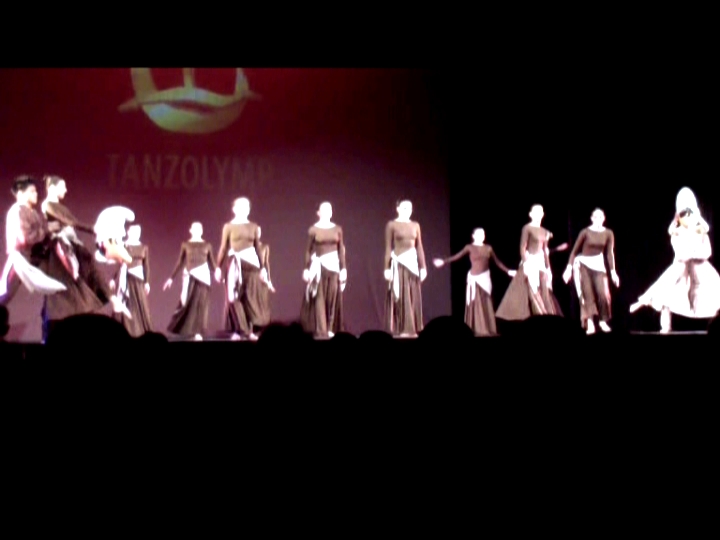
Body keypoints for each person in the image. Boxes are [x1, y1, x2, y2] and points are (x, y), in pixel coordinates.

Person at [629, 187, 720, 332]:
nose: (687, 219)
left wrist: (695, 254)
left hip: (700, 269)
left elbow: (707, 251)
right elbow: (680, 253)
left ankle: (717, 324)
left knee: (714, 291)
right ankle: (660, 321)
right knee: (667, 290)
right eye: (684, 216)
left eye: (690, 215)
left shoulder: (701, 232)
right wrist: (688, 254)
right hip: (681, 268)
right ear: (679, 218)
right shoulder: (677, 234)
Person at [41, 175, 128, 318]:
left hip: (72, 242)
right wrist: (91, 229)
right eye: (63, 187)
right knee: (75, 278)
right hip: (62, 245)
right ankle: (103, 303)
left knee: (91, 269)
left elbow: (69, 222)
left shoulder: (59, 206)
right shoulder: (48, 205)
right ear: (52, 188)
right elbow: (70, 221)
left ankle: (113, 299)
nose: (66, 190)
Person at [433, 228, 516, 336]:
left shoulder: (488, 248)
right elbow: (457, 256)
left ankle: (489, 328)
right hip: (475, 279)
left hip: (485, 278)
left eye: (483, 234)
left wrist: (508, 271)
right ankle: (477, 329)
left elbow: (497, 262)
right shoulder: (469, 247)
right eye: (479, 234)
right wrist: (444, 261)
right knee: (476, 303)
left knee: (486, 303)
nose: (482, 236)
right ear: (473, 235)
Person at [0, 176, 66, 306]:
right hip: (19, 259)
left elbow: (41, 234)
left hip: (32, 258)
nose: (36, 194)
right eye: (31, 191)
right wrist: (47, 229)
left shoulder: (33, 212)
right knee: (4, 293)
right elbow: (25, 238)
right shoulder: (17, 211)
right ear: (20, 194)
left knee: (54, 286)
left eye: (35, 191)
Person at [496, 204, 563, 321]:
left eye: (540, 212)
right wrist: (526, 263)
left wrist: (548, 268)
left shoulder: (544, 231)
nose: (539, 214)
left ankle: (549, 318)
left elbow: (545, 251)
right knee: (532, 292)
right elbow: (522, 247)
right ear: (531, 214)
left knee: (545, 292)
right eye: (536, 212)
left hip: (541, 264)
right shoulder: (527, 228)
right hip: (530, 262)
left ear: (543, 214)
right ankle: (539, 317)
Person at [215, 197, 267, 341]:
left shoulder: (253, 226)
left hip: (251, 265)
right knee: (233, 298)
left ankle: (248, 330)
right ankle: (240, 330)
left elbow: (257, 248)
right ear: (234, 209)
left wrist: (263, 268)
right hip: (235, 264)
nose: (245, 209)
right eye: (241, 206)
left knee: (249, 298)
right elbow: (223, 247)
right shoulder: (229, 226)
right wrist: (218, 267)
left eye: (247, 206)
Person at [562, 208, 620, 334]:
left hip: (598, 265)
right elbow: (574, 251)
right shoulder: (585, 232)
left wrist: (613, 272)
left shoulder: (608, 233)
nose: (598, 219)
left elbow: (610, 253)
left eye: (601, 217)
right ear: (592, 218)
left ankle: (603, 320)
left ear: (604, 218)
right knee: (587, 294)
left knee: (603, 294)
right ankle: (590, 322)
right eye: (596, 217)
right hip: (583, 264)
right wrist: (568, 268)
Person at [300, 202, 347, 338]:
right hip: (319, 267)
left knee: (332, 298)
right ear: (318, 213)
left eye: (329, 210)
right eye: (324, 210)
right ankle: (322, 330)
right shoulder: (313, 229)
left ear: (332, 212)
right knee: (319, 298)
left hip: (334, 267)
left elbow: (341, 250)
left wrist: (343, 269)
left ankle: (331, 327)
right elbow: (308, 250)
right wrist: (306, 268)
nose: (327, 212)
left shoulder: (337, 229)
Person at [164, 222, 217, 340]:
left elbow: (212, 262)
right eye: (195, 228)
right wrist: (171, 278)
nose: (197, 230)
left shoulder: (207, 245)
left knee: (201, 305)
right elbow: (180, 262)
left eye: (199, 228)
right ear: (190, 230)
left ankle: (198, 332)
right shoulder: (186, 245)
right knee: (187, 304)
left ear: (202, 231)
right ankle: (183, 329)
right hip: (190, 277)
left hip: (203, 278)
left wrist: (217, 272)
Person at [384, 199, 427, 337]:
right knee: (403, 297)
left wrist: (423, 267)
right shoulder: (392, 225)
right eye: (404, 208)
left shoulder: (415, 225)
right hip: (400, 264)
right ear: (397, 209)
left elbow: (419, 246)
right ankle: (404, 329)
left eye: (409, 208)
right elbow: (388, 247)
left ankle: (413, 328)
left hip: (412, 265)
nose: (407, 210)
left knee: (413, 296)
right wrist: (387, 268)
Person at [110, 224, 153, 337]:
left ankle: (140, 331)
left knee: (139, 304)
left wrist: (147, 282)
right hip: (126, 277)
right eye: (134, 231)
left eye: (138, 232)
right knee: (124, 302)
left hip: (138, 279)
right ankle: (123, 330)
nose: (137, 234)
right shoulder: (123, 245)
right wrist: (113, 279)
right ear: (129, 232)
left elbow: (146, 266)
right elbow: (119, 264)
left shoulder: (144, 248)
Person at [254, 226, 274, 328]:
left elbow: (266, 263)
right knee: (253, 301)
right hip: (253, 276)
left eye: (259, 231)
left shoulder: (265, 247)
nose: (258, 233)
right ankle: (254, 325)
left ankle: (265, 324)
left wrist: (269, 280)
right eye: (256, 232)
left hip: (263, 277)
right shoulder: (250, 248)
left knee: (263, 301)